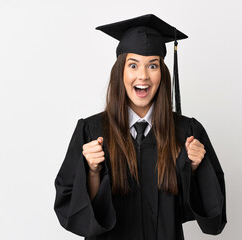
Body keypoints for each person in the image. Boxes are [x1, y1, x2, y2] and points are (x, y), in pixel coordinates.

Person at [54, 14, 227, 240]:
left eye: (152, 65)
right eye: (133, 65)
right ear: (121, 72)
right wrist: (92, 172)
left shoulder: (186, 132)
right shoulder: (92, 131)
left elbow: (213, 221)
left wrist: (195, 169)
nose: (143, 75)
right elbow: (72, 214)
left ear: (162, 73)